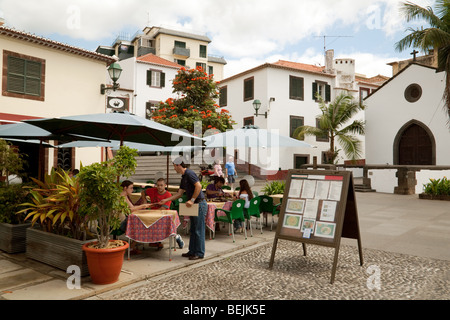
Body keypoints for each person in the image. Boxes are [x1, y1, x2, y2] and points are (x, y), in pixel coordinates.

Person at [157, 156, 207, 260]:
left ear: (178, 165)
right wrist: (166, 200)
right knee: (193, 230)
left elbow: (198, 186)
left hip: (198, 204)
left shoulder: (189, 173)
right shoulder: (184, 177)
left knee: (198, 230)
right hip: (194, 205)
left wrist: (192, 200)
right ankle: (192, 251)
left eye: (174, 166)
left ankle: (199, 253)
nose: (174, 168)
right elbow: (179, 193)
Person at [139, 178, 184, 249]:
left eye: (161, 185)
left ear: (165, 185)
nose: (159, 187)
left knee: (168, 230)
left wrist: (149, 212)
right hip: (152, 214)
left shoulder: (168, 195)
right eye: (158, 185)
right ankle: (153, 241)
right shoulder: (153, 190)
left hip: (164, 215)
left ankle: (177, 237)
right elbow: (143, 192)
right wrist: (144, 200)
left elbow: (162, 209)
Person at [120, 180, 151, 254]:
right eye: (131, 188)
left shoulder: (125, 196)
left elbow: (132, 208)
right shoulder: (121, 197)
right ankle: (132, 246)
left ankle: (133, 245)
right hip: (121, 222)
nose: (132, 190)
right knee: (142, 225)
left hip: (126, 219)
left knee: (143, 223)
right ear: (125, 188)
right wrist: (142, 206)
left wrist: (141, 207)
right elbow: (129, 210)